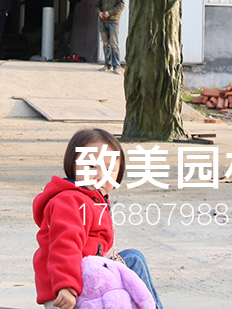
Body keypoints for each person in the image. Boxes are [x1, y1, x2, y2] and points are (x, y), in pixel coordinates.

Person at [33, 128, 163, 309]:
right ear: (73, 166)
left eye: (109, 169)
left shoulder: (93, 199)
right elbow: (64, 245)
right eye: (92, 166)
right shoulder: (70, 201)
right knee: (134, 259)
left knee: (132, 260)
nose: (101, 176)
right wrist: (67, 287)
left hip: (90, 276)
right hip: (70, 287)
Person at [96, 0, 125, 72]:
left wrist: (109, 13)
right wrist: (100, 13)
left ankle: (116, 65)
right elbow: (96, 5)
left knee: (114, 44)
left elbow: (121, 5)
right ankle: (107, 65)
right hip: (103, 21)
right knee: (105, 43)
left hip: (113, 21)